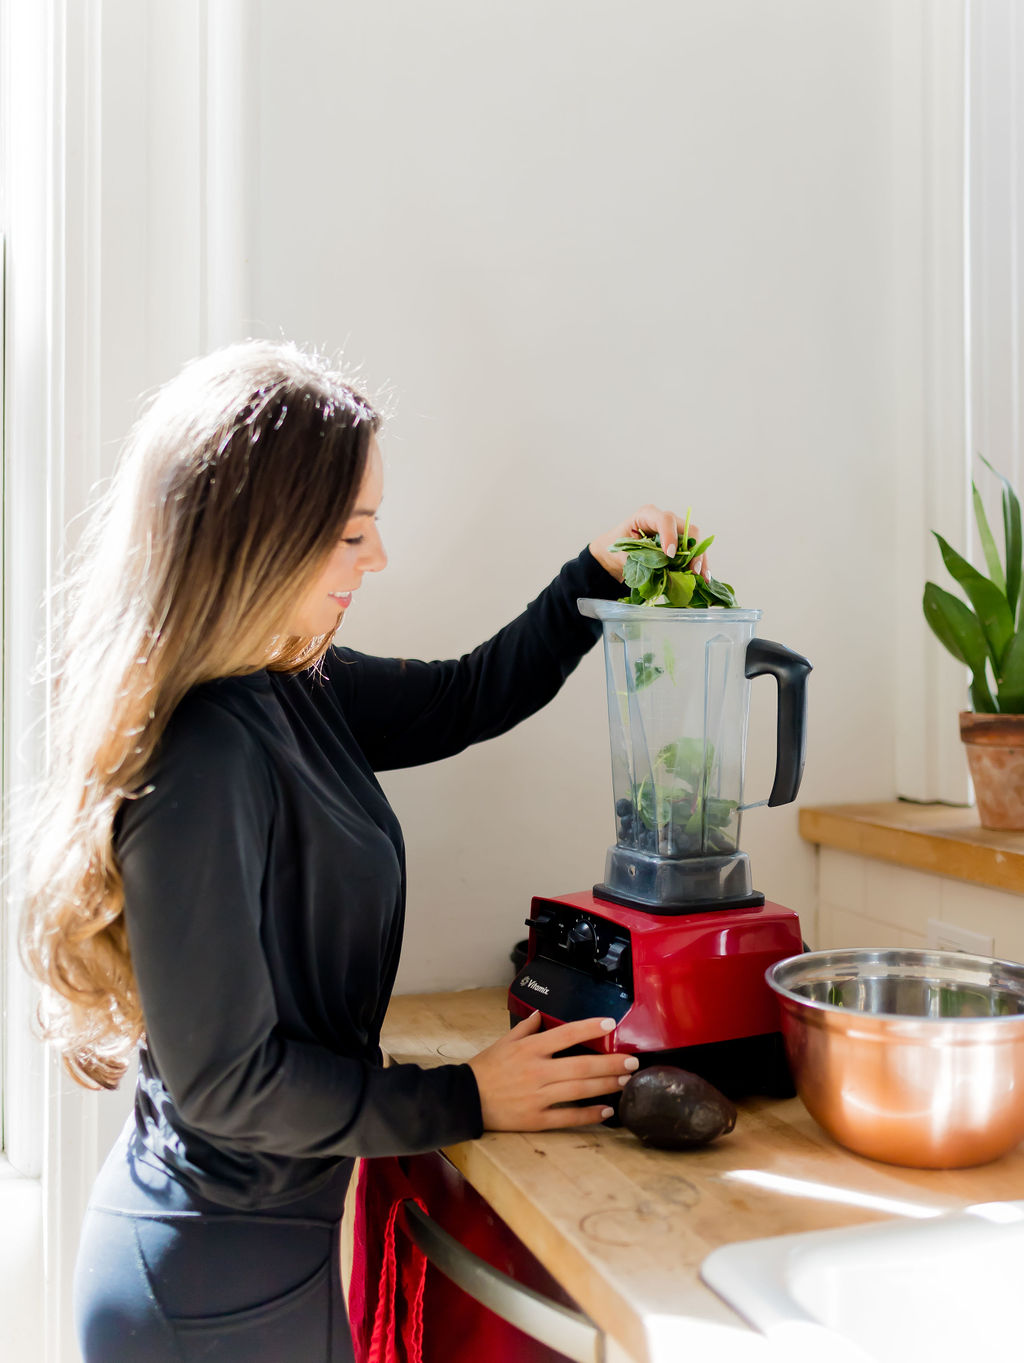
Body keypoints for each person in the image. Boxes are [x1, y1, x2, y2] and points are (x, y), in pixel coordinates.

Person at [19, 339, 706, 1362]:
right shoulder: (204, 756)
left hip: (260, 1265)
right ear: (262, 543)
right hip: (204, 1293)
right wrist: (465, 1097)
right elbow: (231, 1086)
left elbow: (463, 695)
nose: (374, 560)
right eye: (351, 534)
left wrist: (592, 579)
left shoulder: (289, 686)